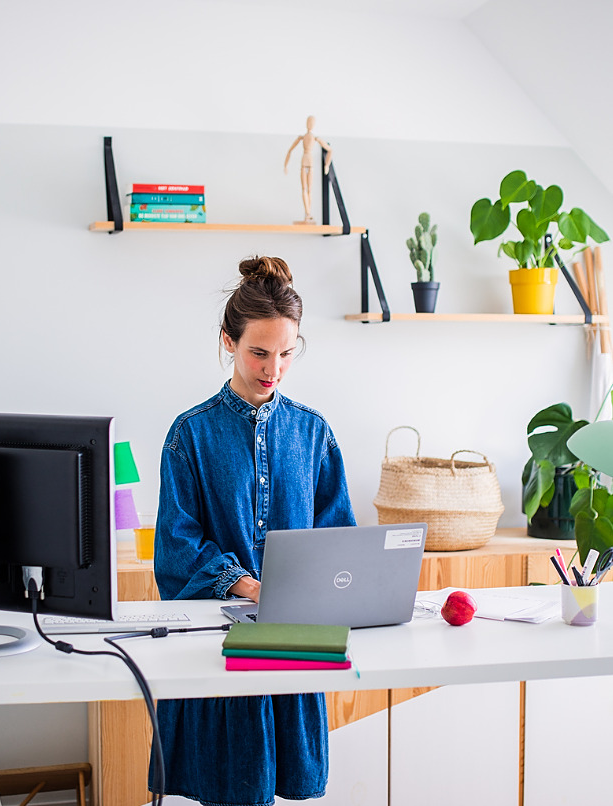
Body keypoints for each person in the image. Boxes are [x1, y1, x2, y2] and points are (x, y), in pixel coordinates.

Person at [150, 255, 356, 806]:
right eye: (259, 352)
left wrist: (328, 586)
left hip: (297, 644)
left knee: (290, 785)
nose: (273, 368)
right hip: (219, 643)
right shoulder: (189, 436)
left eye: (287, 353)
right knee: (228, 784)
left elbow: (340, 539)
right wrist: (249, 586)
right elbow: (176, 547)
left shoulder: (315, 434)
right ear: (228, 341)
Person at [284, 116, 333, 224]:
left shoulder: (316, 138)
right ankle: (307, 213)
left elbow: (330, 150)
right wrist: (285, 165)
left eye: (311, 122)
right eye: (308, 122)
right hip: (305, 162)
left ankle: (308, 214)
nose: (309, 124)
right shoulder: (302, 138)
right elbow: (290, 150)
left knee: (308, 189)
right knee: (305, 189)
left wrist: (327, 165)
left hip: (309, 162)